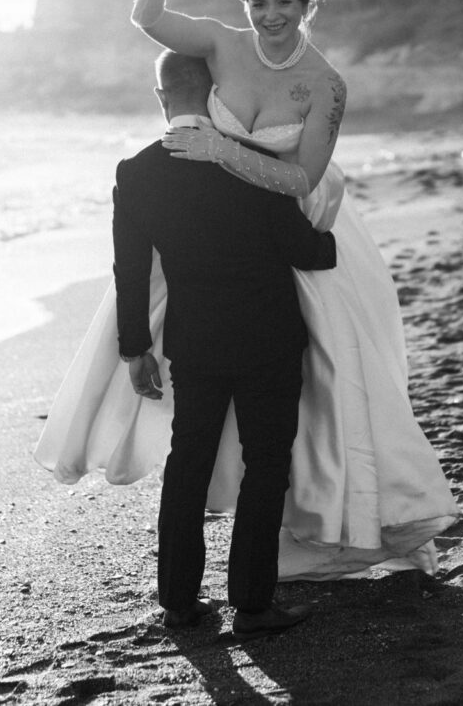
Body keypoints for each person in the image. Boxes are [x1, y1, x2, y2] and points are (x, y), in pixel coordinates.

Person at [35, 0, 458, 582]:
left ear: (306, 4)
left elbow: (299, 180)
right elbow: (146, 18)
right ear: (244, 6)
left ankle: (326, 526)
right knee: (195, 402)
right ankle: (212, 556)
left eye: (283, 3)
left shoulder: (325, 85)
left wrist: (223, 152)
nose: (269, 16)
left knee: (326, 390)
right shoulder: (223, 44)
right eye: (258, 3)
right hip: (218, 233)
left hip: (294, 229)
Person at [112, 50, 337, 638]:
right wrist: (336, 245)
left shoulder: (136, 173)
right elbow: (301, 249)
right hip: (269, 337)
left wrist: (135, 349)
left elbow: (129, 272)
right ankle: (254, 606)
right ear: (216, 94)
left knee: (188, 462)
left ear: (161, 97)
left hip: (196, 343)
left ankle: (180, 603)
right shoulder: (254, 162)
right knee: (266, 465)